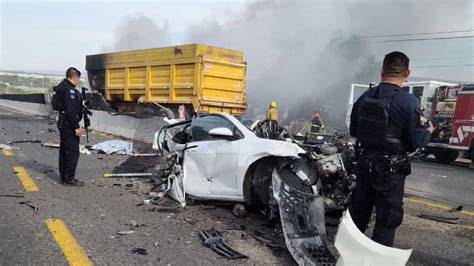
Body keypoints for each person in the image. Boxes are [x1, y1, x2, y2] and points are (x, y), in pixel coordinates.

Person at [349, 51, 434, 247]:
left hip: (364, 164)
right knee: (387, 220)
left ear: (382, 71)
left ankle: (348, 258)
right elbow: (416, 141)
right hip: (391, 172)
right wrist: (428, 131)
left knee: (357, 216)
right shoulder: (409, 101)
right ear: (408, 72)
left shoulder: (365, 97)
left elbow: (354, 130)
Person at [56, 67, 84, 186]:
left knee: (64, 150)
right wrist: (76, 127)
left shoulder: (61, 86)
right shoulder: (70, 90)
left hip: (63, 122)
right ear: (74, 77)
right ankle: (69, 179)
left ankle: (64, 177)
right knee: (72, 151)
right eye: (78, 79)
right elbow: (71, 110)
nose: (78, 81)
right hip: (68, 123)